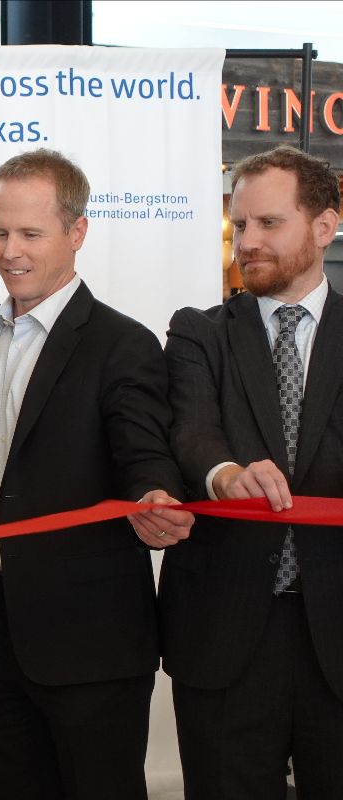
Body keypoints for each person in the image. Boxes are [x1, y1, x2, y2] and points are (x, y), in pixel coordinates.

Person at [0, 148, 194, 800]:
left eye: (30, 233)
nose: (9, 250)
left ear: (77, 233)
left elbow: (144, 455)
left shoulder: (122, 344)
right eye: (0, 231)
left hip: (91, 642)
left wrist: (155, 498)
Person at [161, 145, 343, 799]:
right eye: (241, 225)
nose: (249, 241)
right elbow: (189, 429)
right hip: (225, 633)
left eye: (269, 223)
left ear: (324, 226)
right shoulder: (198, 333)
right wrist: (224, 473)